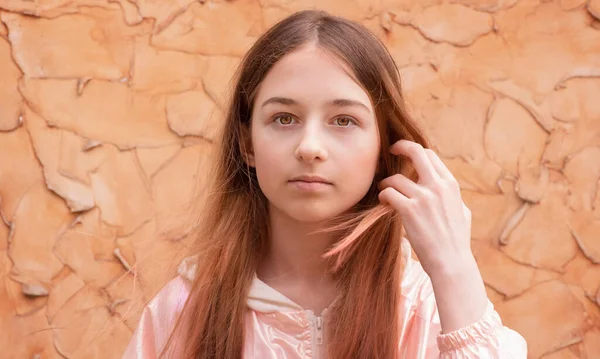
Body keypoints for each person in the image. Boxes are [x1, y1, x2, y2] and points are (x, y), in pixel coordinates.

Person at [122, 9, 527, 359]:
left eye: (344, 121)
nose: (310, 147)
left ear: (383, 147)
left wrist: (455, 268)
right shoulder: (183, 310)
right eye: (284, 118)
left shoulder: (427, 307)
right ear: (247, 144)